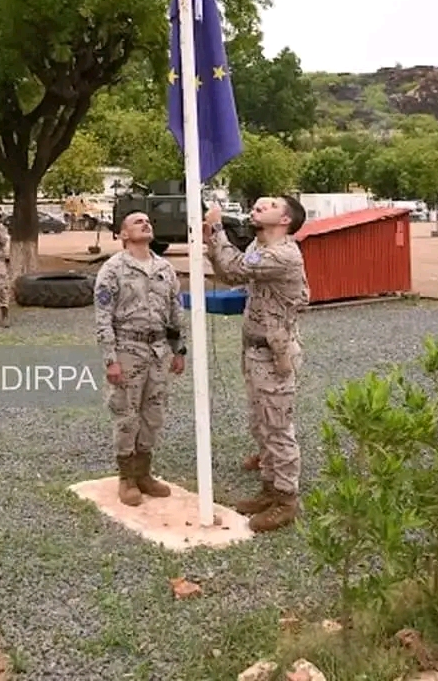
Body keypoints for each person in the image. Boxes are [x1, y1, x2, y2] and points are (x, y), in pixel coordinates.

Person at [203, 196, 309, 533]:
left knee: (277, 427)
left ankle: (287, 500)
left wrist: (217, 228)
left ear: (286, 221)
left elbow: (234, 268)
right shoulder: (258, 245)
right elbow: (228, 268)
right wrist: (214, 241)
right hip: (254, 349)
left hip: (272, 354)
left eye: (272, 204)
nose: (260, 206)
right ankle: (269, 489)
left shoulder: (282, 254)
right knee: (260, 422)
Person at [94, 210, 186, 506]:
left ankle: (144, 472)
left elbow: (175, 311)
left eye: (148, 221)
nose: (146, 223)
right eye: (137, 222)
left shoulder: (165, 269)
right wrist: (111, 359)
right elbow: (103, 317)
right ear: (123, 234)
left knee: (154, 414)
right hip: (127, 350)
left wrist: (179, 350)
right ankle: (127, 477)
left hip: (158, 350)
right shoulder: (112, 269)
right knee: (126, 414)